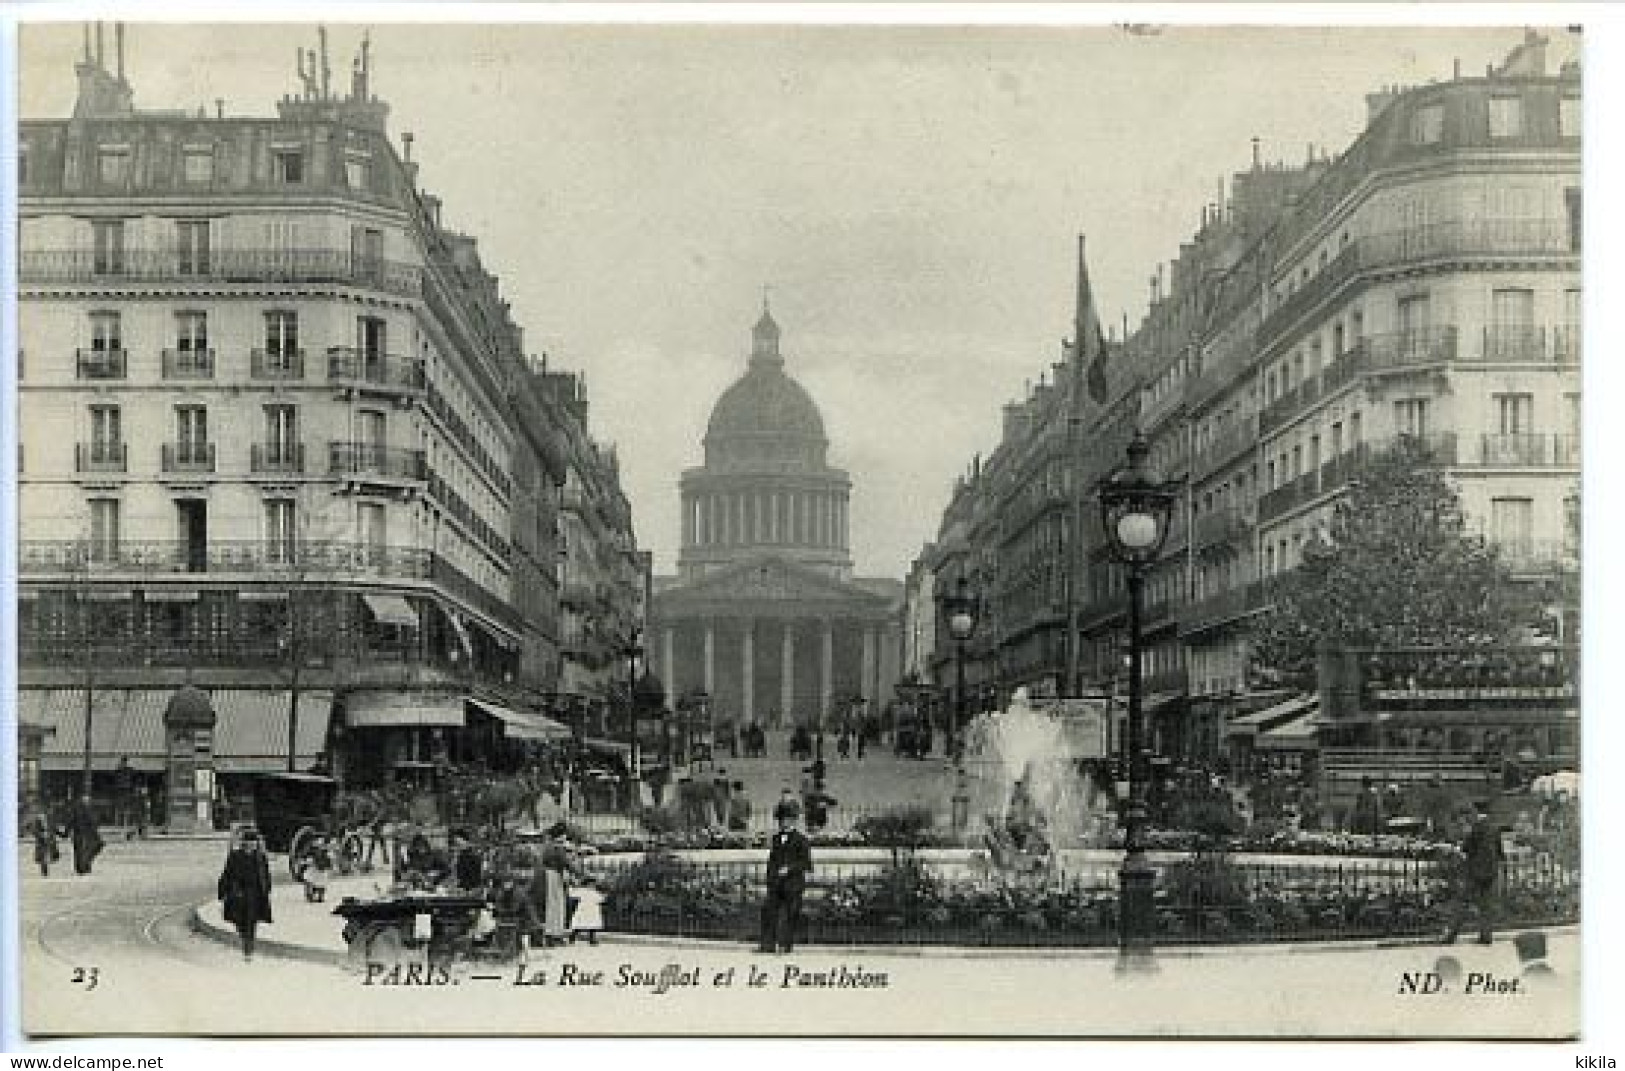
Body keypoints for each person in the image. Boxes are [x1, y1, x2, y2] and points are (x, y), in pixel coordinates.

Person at [756, 798, 812, 954]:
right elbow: (772, 860)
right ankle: (768, 945)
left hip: (793, 884)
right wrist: (770, 878)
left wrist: (790, 868)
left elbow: (806, 863)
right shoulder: (775, 838)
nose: (784, 823)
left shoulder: (802, 840)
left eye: (787, 819)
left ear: (793, 821)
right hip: (776, 884)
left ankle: (785, 945)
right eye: (782, 820)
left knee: (790, 915)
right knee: (769, 912)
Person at [1443, 802, 1504, 945]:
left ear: (1477, 811)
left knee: (1463, 902)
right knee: (1486, 905)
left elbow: (1467, 848)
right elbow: (1500, 852)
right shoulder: (1495, 828)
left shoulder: (1477, 828)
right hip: (1491, 871)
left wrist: (1457, 848)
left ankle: (1451, 935)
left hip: (1476, 872)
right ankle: (1486, 936)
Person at [218, 826, 273, 961]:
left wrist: (267, 889)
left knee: (251, 921)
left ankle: (248, 950)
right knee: (239, 921)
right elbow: (227, 874)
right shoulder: (235, 856)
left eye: (253, 842)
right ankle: (244, 938)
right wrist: (222, 891)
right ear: (243, 843)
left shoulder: (260, 857)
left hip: (254, 894)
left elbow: (265, 874)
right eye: (248, 842)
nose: (251, 845)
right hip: (238, 894)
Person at [65, 795, 103, 876]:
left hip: (85, 833)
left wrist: (66, 832)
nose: (88, 802)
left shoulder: (88, 810)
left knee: (83, 850)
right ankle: (82, 867)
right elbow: (71, 820)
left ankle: (83, 866)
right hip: (81, 833)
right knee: (81, 850)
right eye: (86, 800)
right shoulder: (79, 810)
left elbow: (94, 822)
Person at [570, 876, 606, 946]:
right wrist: (571, 887)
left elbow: (601, 899)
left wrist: (603, 896)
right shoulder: (582, 891)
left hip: (592, 910)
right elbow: (572, 894)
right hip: (584, 910)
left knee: (592, 927)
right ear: (587, 884)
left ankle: (592, 939)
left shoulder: (595, 892)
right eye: (590, 884)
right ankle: (572, 937)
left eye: (593, 884)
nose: (592, 885)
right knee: (578, 925)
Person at [28, 807, 59, 877]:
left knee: (49, 854)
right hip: (41, 841)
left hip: (49, 840)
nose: (42, 815)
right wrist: (40, 835)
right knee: (42, 856)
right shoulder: (36, 820)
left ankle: (47, 866)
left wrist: (60, 834)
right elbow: (34, 830)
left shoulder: (49, 819)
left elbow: (53, 828)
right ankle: (44, 871)